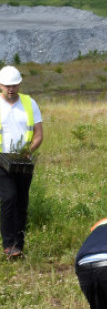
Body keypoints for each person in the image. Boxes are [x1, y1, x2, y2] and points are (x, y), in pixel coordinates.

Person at [0, 65, 44, 259]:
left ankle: (19, 246)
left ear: (19, 85)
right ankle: (8, 245)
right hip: (1, 160)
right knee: (8, 198)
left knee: (21, 202)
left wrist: (28, 151)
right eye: (7, 85)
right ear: (0, 85)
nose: (11, 89)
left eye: (14, 85)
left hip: (23, 161)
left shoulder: (29, 103)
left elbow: (39, 134)